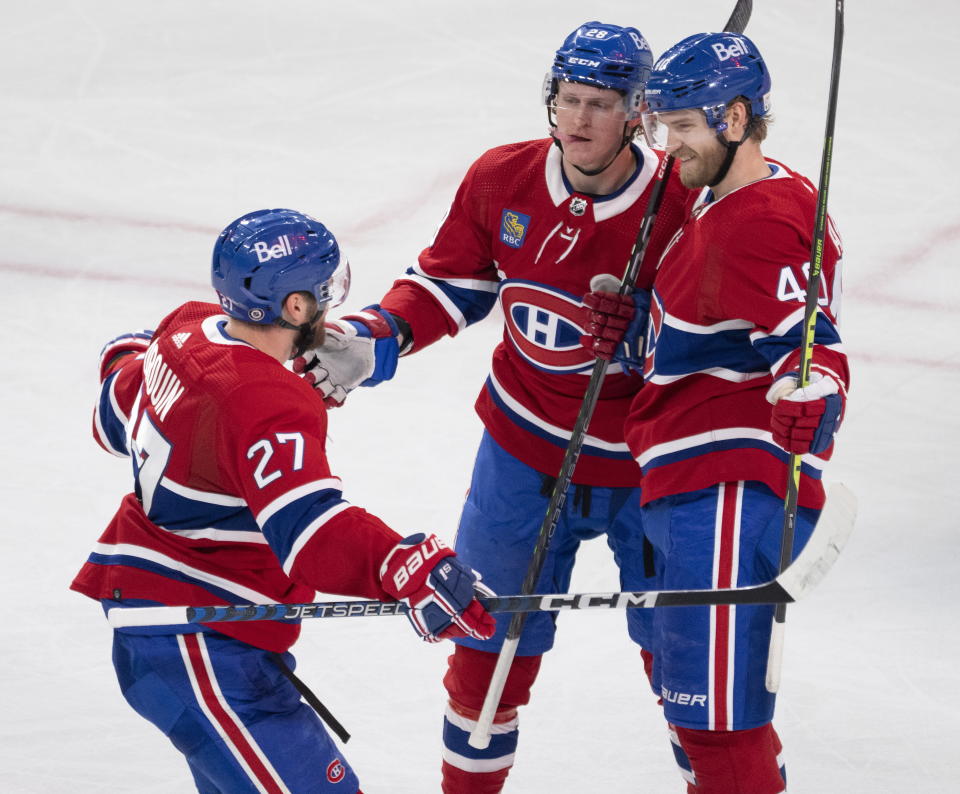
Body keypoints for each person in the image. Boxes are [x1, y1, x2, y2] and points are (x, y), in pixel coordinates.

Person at [294, 22, 690, 793]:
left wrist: (647, 329)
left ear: (638, 111)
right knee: (485, 654)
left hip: (648, 467)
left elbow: (716, 338)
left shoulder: (682, 202)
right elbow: (450, 283)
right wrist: (377, 336)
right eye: (569, 100)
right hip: (520, 457)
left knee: (683, 663)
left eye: (600, 104)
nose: (578, 120)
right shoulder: (503, 178)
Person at [70, 208, 496, 794]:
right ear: (294, 307)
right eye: (323, 292)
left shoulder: (187, 330)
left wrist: (134, 358)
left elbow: (116, 405)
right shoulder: (265, 402)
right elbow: (311, 534)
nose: (331, 304)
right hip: (197, 641)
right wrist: (403, 567)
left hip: (179, 625)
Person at [582, 32, 848, 793]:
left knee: (716, 721)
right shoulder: (723, 200)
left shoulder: (763, 218)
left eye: (686, 127)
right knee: (696, 704)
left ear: (735, 118)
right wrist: (638, 325)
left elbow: (809, 342)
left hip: (727, 492)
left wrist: (819, 397)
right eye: (663, 127)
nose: (669, 147)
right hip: (684, 488)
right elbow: (715, 329)